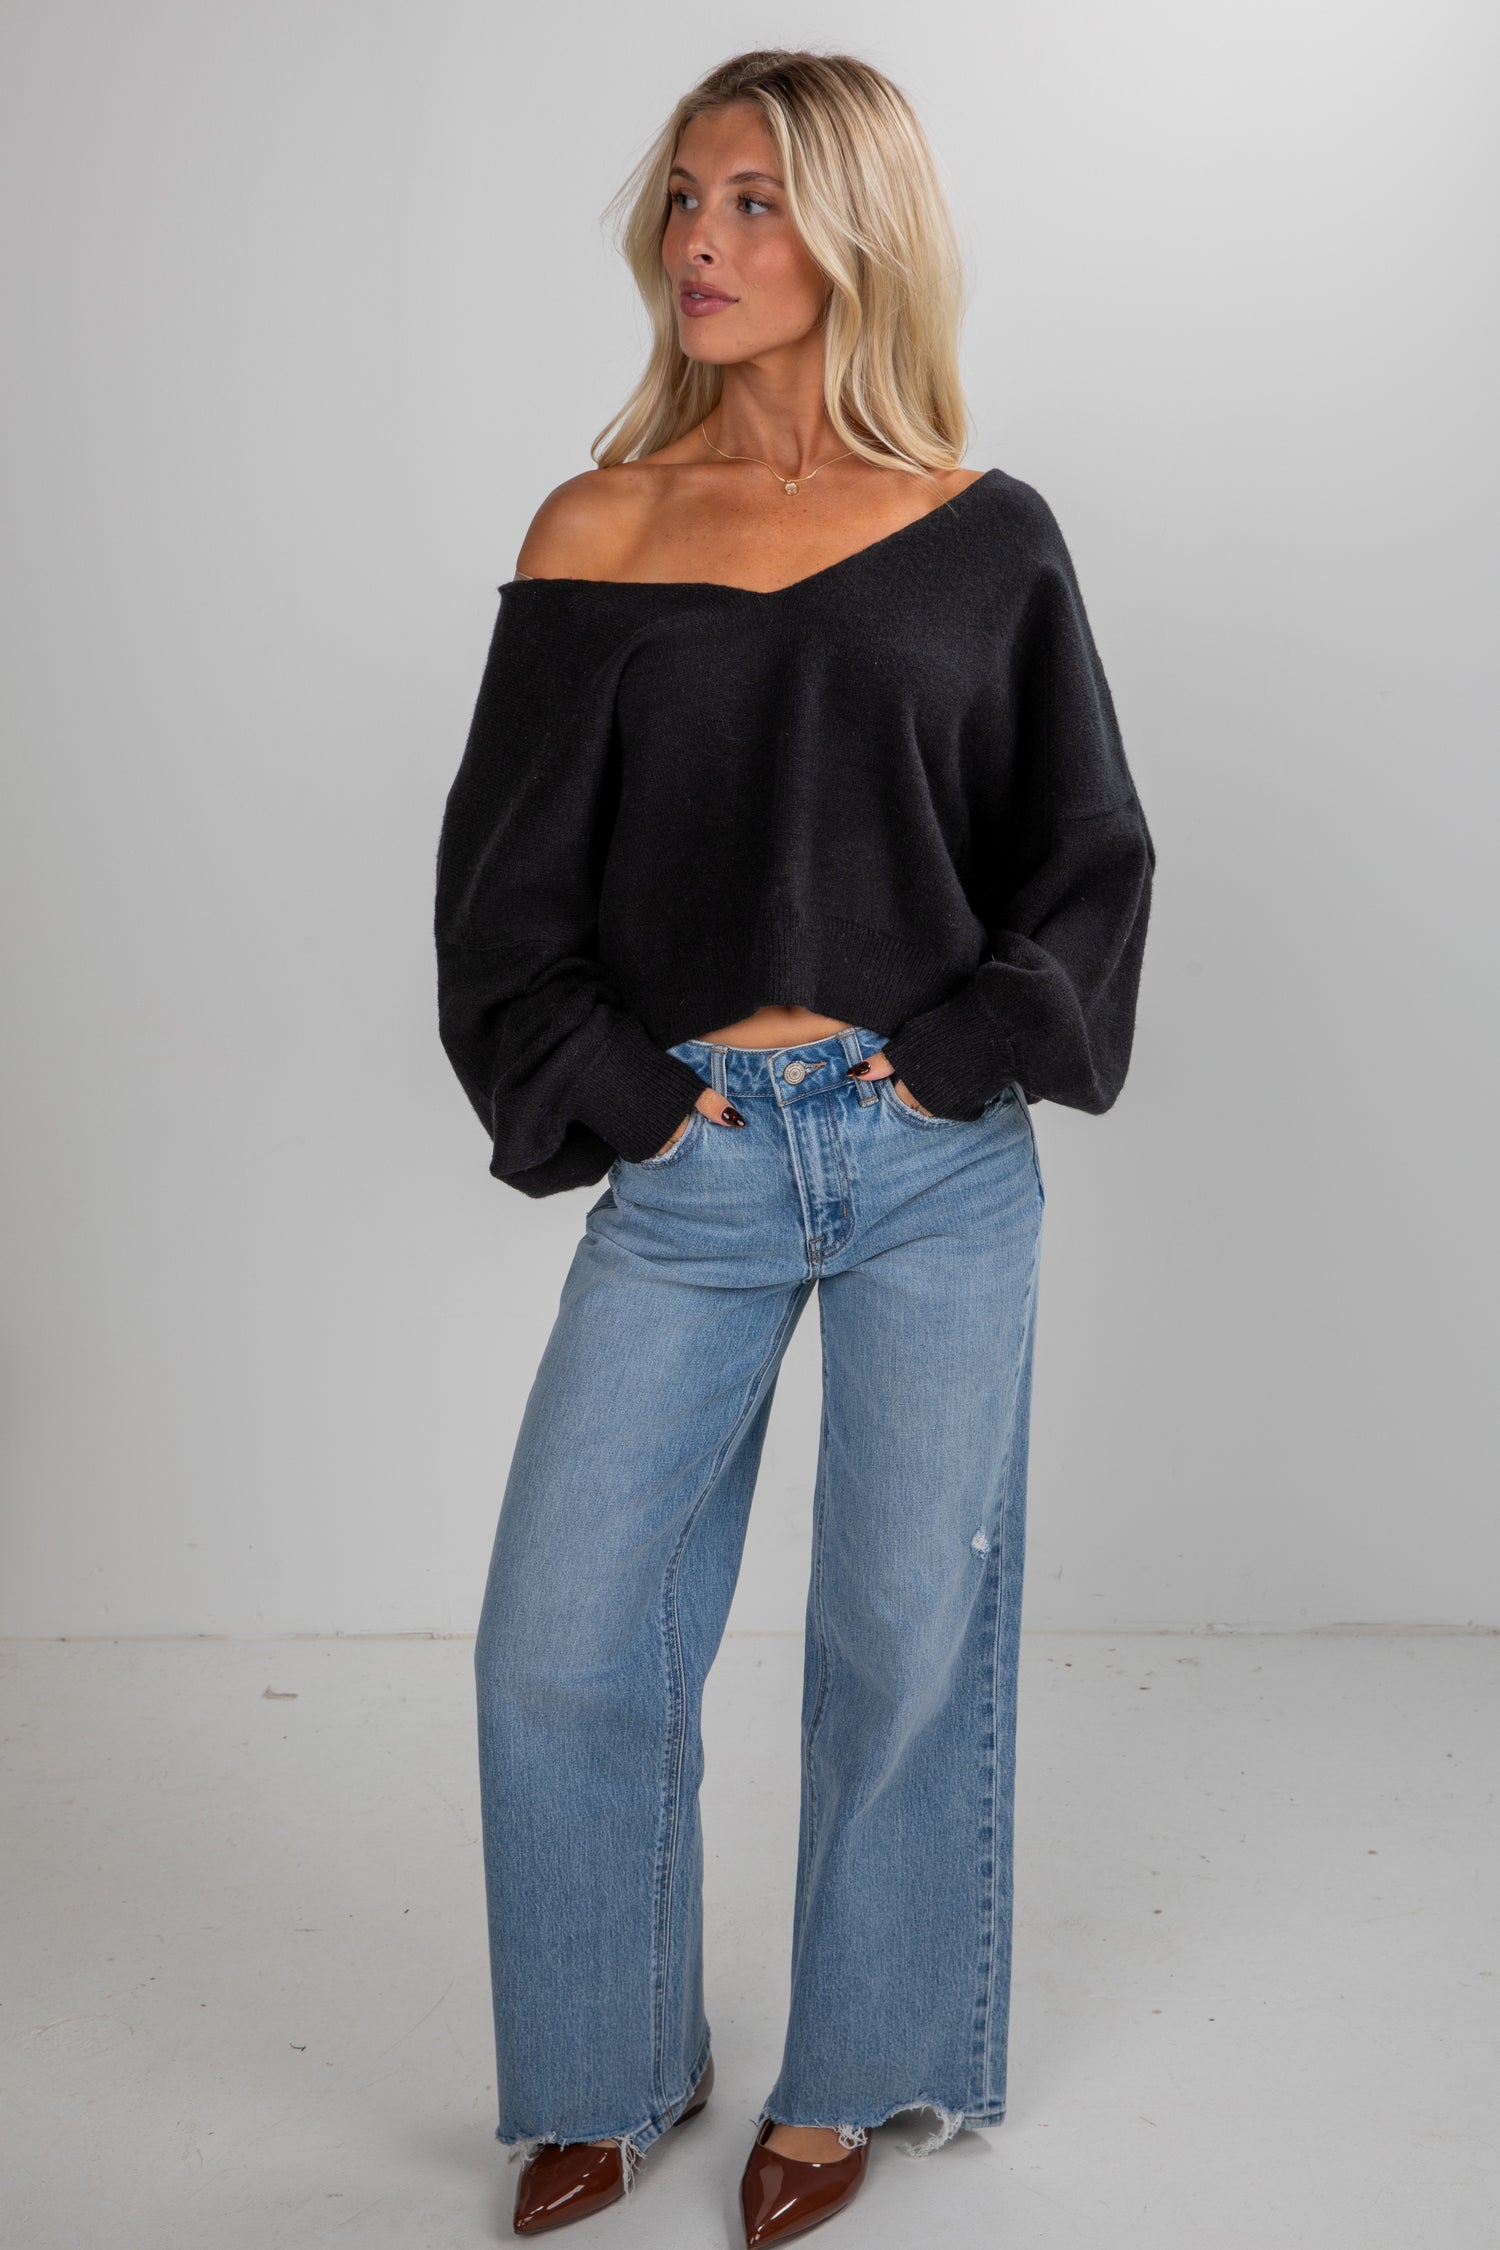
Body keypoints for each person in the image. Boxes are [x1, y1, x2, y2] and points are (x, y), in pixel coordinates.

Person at [433, 46, 1155, 2247]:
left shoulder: (983, 533)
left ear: (853, 228)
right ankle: (601, 2065)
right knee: (557, 1631)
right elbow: (503, 898)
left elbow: (1089, 852)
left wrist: (965, 1051)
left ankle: (849, 2080)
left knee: (901, 1640)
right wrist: (640, 1104)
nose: (703, 244)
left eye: (753, 200)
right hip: (697, 1164)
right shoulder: (594, 534)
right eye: (682, 201)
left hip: (937, 1155)